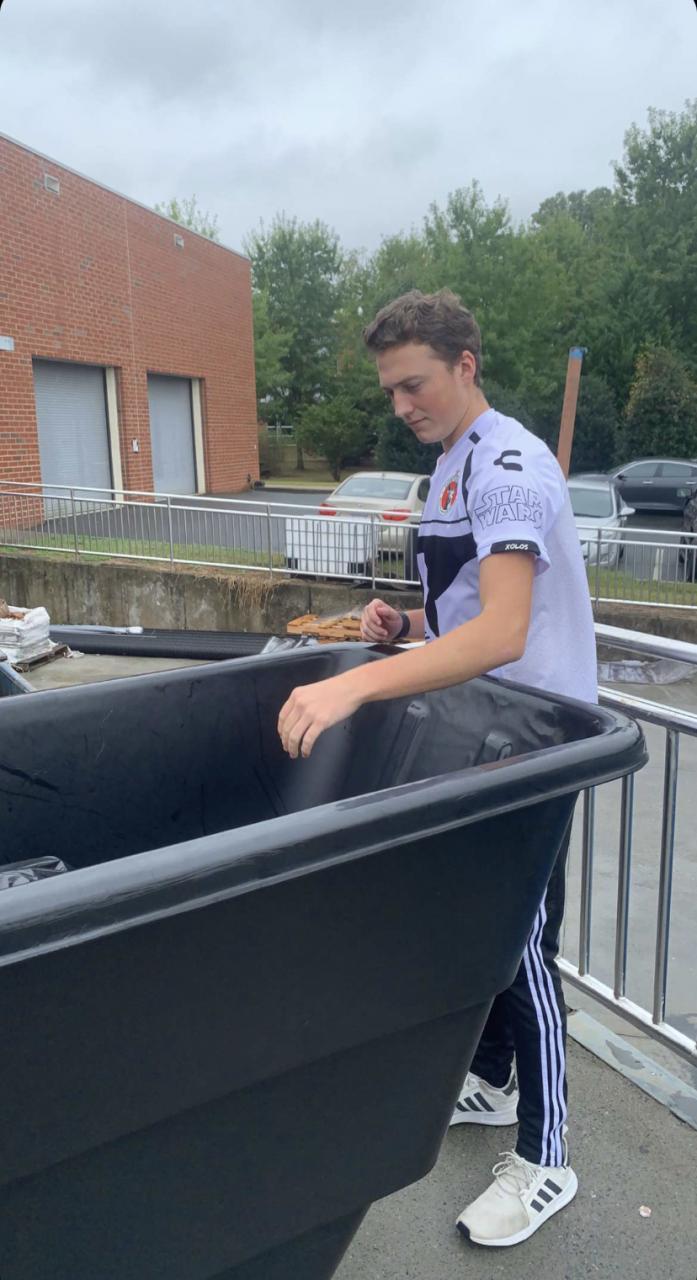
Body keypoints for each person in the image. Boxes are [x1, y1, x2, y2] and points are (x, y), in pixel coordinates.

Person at [278, 288, 597, 1248]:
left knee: (522, 947)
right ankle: (495, 1082)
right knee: (487, 924)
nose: (400, 404)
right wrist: (405, 623)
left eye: (413, 384)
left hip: (534, 739)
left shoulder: (508, 465)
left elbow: (504, 633)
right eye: (389, 389)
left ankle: (547, 1157)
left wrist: (352, 687)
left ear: (465, 365)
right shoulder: (452, 461)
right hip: (484, 729)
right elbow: (470, 611)